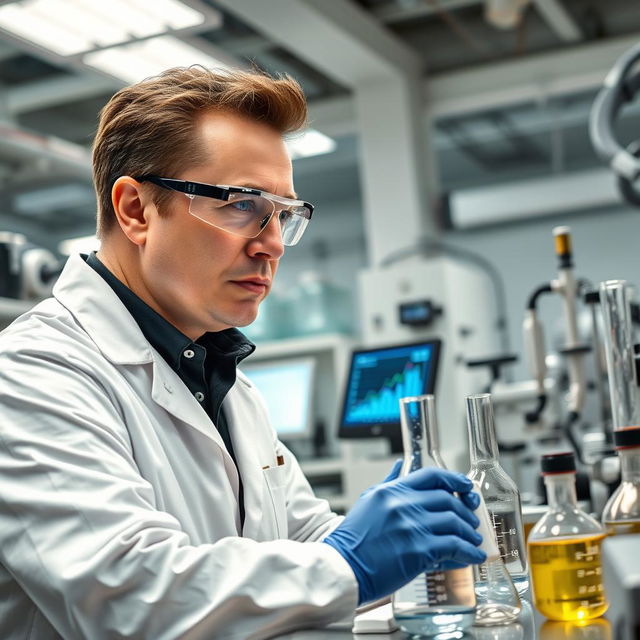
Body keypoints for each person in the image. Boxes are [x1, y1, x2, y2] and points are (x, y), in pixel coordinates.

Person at [0, 66, 486, 640]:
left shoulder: (224, 382)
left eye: (283, 214)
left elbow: (304, 542)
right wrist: (353, 561)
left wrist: (391, 542)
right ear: (135, 210)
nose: (273, 243)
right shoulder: (32, 372)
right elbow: (127, 595)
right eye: (241, 205)